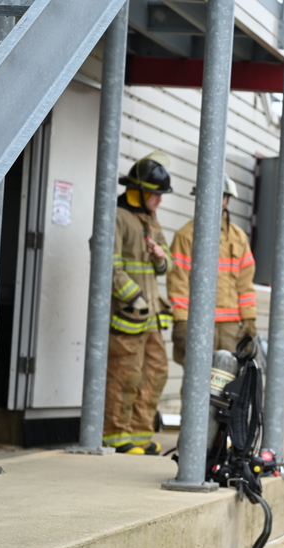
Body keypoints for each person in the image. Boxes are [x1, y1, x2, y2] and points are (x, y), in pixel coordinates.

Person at [103, 151, 175, 455]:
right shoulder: (116, 217)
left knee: (155, 371)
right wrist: (135, 298)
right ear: (139, 191)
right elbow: (109, 264)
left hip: (151, 317)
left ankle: (140, 434)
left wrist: (161, 258)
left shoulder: (150, 217)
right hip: (127, 315)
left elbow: (168, 262)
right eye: (156, 194)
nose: (159, 201)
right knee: (125, 375)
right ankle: (116, 436)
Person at [167, 174, 256, 366]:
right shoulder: (186, 235)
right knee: (196, 379)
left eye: (222, 196)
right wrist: (182, 321)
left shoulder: (238, 236)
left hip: (231, 327)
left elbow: (245, 282)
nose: (218, 201)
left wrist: (249, 319)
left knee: (228, 381)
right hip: (198, 323)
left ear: (227, 199)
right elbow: (178, 282)